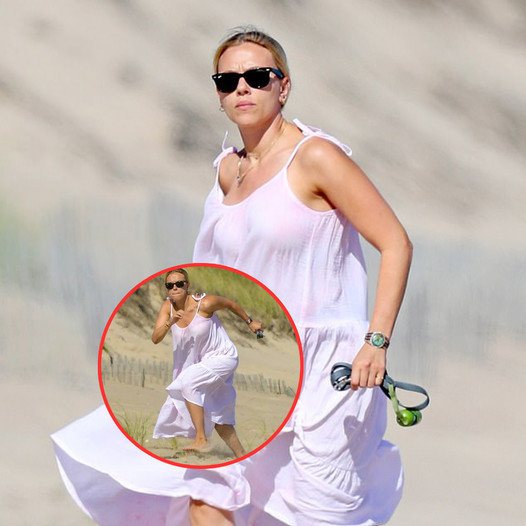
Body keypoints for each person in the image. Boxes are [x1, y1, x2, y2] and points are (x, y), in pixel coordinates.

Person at [51, 27, 413, 526]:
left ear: (282, 87)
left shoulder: (317, 158)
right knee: (207, 495)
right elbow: (215, 277)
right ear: (219, 94)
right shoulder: (227, 170)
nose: (241, 88)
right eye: (227, 80)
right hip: (240, 364)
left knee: (313, 516)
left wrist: (376, 340)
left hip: (323, 371)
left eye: (257, 76)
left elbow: (396, 242)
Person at [151, 268, 262, 457]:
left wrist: (250, 322)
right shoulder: (167, 307)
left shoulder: (205, 303)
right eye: (170, 285)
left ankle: (201, 439)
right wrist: (170, 322)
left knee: (188, 383)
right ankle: (242, 455)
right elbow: (155, 338)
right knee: (217, 413)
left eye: (180, 284)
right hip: (200, 365)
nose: (175, 288)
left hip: (223, 357)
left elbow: (229, 304)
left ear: (188, 285)